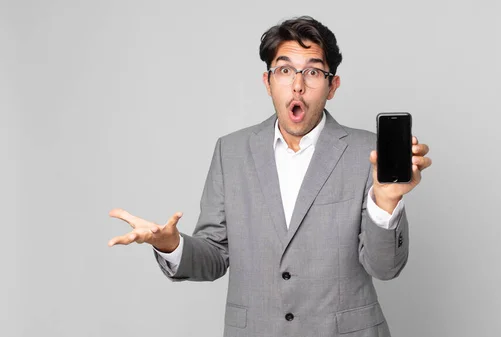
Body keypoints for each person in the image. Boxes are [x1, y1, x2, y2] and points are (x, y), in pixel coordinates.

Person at [108, 16, 431, 337]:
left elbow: (385, 267)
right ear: (267, 82)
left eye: (314, 71)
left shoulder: (368, 153)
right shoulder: (230, 152)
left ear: (332, 86)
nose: (298, 84)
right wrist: (171, 245)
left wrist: (386, 201)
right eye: (285, 70)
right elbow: (215, 255)